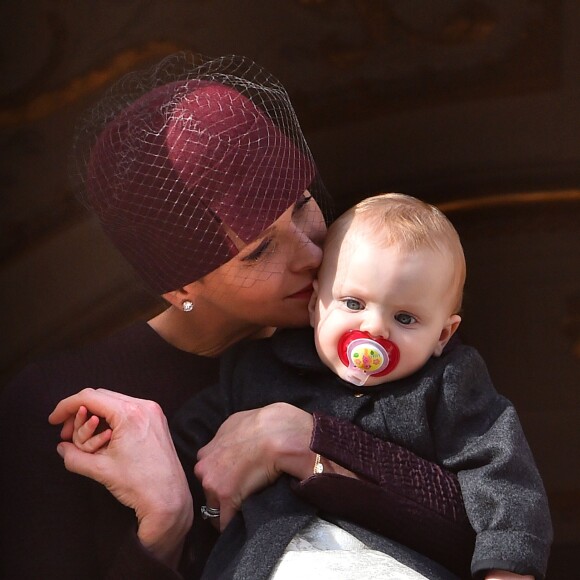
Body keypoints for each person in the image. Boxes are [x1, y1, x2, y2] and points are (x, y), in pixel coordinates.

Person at [0, 54, 472, 580]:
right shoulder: (57, 406)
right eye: (257, 252)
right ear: (179, 286)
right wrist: (166, 526)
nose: (313, 255)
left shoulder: (373, 326)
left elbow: (488, 524)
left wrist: (301, 440)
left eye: (301, 205)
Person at [156, 193, 551, 579]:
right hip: (269, 560)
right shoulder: (257, 369)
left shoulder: (449, 385)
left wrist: (508, 568)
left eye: (406, 318)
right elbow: (191, 442)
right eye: (353, 303)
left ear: (443, 335)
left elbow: (502, 473)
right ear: (315, 304)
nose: (374, 328)